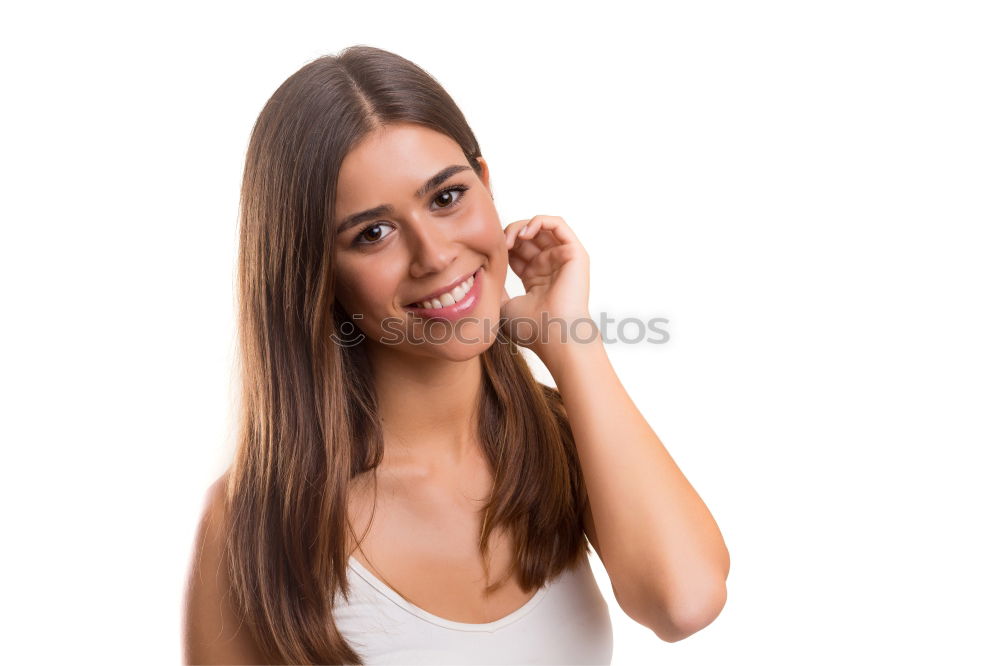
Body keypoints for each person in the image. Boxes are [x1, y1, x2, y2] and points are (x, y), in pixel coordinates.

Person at [183, 45, 730, 664]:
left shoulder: (562, 438)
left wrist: (571, 341)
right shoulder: (254, 522)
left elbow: (683, 603)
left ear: (487, 184)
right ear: (315, 273)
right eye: (373, 233)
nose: (435, 254)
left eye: (446, 197)